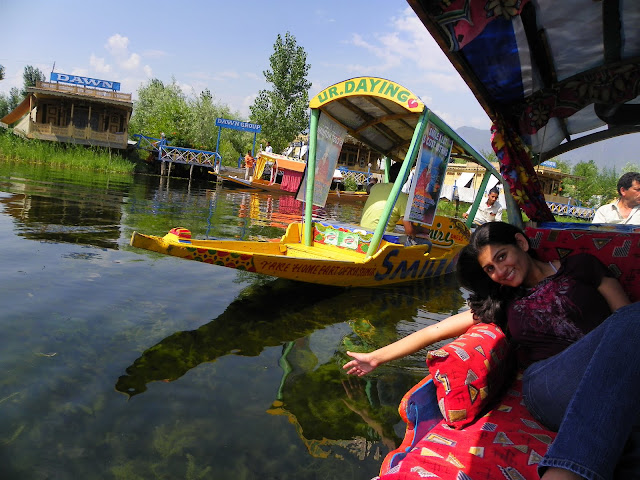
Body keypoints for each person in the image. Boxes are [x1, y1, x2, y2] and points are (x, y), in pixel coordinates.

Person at [344, 221, 638, 480]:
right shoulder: (503, 301)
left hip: (608, 375)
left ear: (521, 243)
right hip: (549, 386)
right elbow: (436, 330)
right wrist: (376, 357)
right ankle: (566, 471)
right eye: (490, 269)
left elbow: (625, 321)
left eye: (501, 257)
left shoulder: (582, 266)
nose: (500, 271)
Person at [360, 162, 428, 241]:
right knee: (427, 243)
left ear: (389, 175)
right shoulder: (403, 198)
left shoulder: (376, 187)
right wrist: (423, 230)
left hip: (363, 233)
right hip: (380, 239)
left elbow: (368, 188)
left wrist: (372, 182)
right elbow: (409, 231)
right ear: (406, 179)